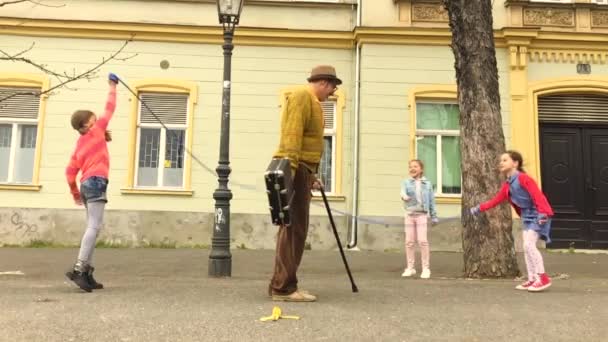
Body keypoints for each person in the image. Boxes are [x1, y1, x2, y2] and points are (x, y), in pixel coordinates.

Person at [268, 65, 341, 302]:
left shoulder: (313, 102)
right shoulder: (302, 97)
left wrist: (312, 175)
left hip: (302, 170)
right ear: (324, 83)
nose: (331, 93)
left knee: (294, 230)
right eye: (332, 88)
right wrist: (289, 173)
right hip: (294, 168)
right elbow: (292, 135)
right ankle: (284, 288)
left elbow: (308, 144)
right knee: (293, 230)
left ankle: (283, 284)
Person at [470, 150, 554, 292]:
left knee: (528, 245)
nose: (501, 163)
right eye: (501, 160)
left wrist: (543, 213)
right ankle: (532, 278)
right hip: (527, 216)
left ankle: (543, 277)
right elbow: (495, 200)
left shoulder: (523, 178)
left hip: (539, 214)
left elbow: (537, 195)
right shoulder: (508, 185)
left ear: (515, 163)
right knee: (526, 247)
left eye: (505, 160)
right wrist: (479, 208)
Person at [64, 73, 118, 292]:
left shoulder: (79, 144)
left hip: (86, 185)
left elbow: (69, 172)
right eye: (94, 120)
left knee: (93, 227)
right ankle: (79, 269)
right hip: (96, 182)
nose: (98, 121)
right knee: (94, 227)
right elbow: (110, 108)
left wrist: (76, 193)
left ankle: (86, 271)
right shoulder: (95, 131)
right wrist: (112, 86)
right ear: (87, 124)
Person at [400, 159, 438, 279]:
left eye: (415, 166)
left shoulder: (427, 184)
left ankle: (426, 268)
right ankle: (410, 268)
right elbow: (403, 193)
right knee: (409, 242)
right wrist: (404, 196)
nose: (412, 168)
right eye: (410, 167)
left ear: (421, 169)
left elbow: (431, 201)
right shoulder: (406, 182)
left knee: (422, 241)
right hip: (410, 215)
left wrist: (434, 216)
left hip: (422, 215)